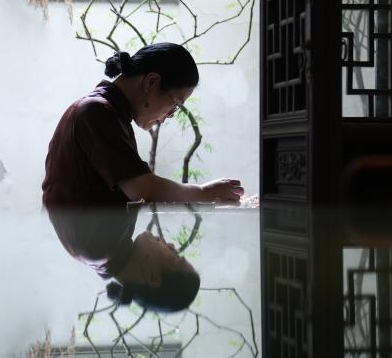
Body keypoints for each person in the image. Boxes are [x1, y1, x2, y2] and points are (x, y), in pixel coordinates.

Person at [42, 42, 245, 209]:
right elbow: (143, 188)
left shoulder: (109, 113)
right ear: (151, 82)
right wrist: (203, 192)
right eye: (175, 104)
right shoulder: (96, 111)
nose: (168, 117)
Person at [48, 202, 200, 313]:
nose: (172, 246)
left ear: (153, 278)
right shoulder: (109, 246)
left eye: (175, 258)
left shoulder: (97, 245)